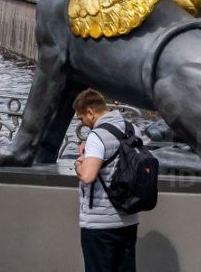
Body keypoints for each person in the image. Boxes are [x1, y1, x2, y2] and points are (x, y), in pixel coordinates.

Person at [73, 88, 139, 272]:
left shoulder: (97, 136)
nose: (83, 123)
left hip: (100, 225)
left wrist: (79, 162)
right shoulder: (132, 129)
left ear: (90, 112)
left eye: (81, 118)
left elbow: (88, 176)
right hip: (129, 218)